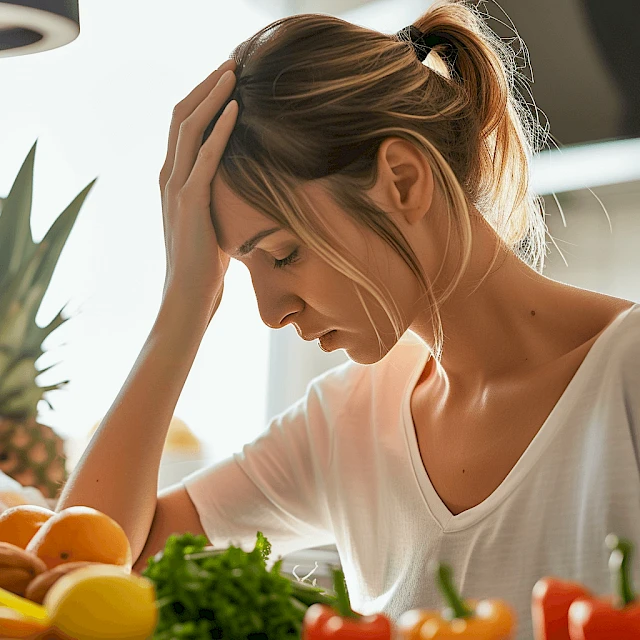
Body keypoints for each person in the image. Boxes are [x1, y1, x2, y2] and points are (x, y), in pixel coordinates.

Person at [57, 1, 640, 638]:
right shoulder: (348, 422)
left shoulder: (627, 379)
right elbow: (84, 571)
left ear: (403, 180)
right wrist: (184, 306)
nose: (271, 313)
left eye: (283, 254)